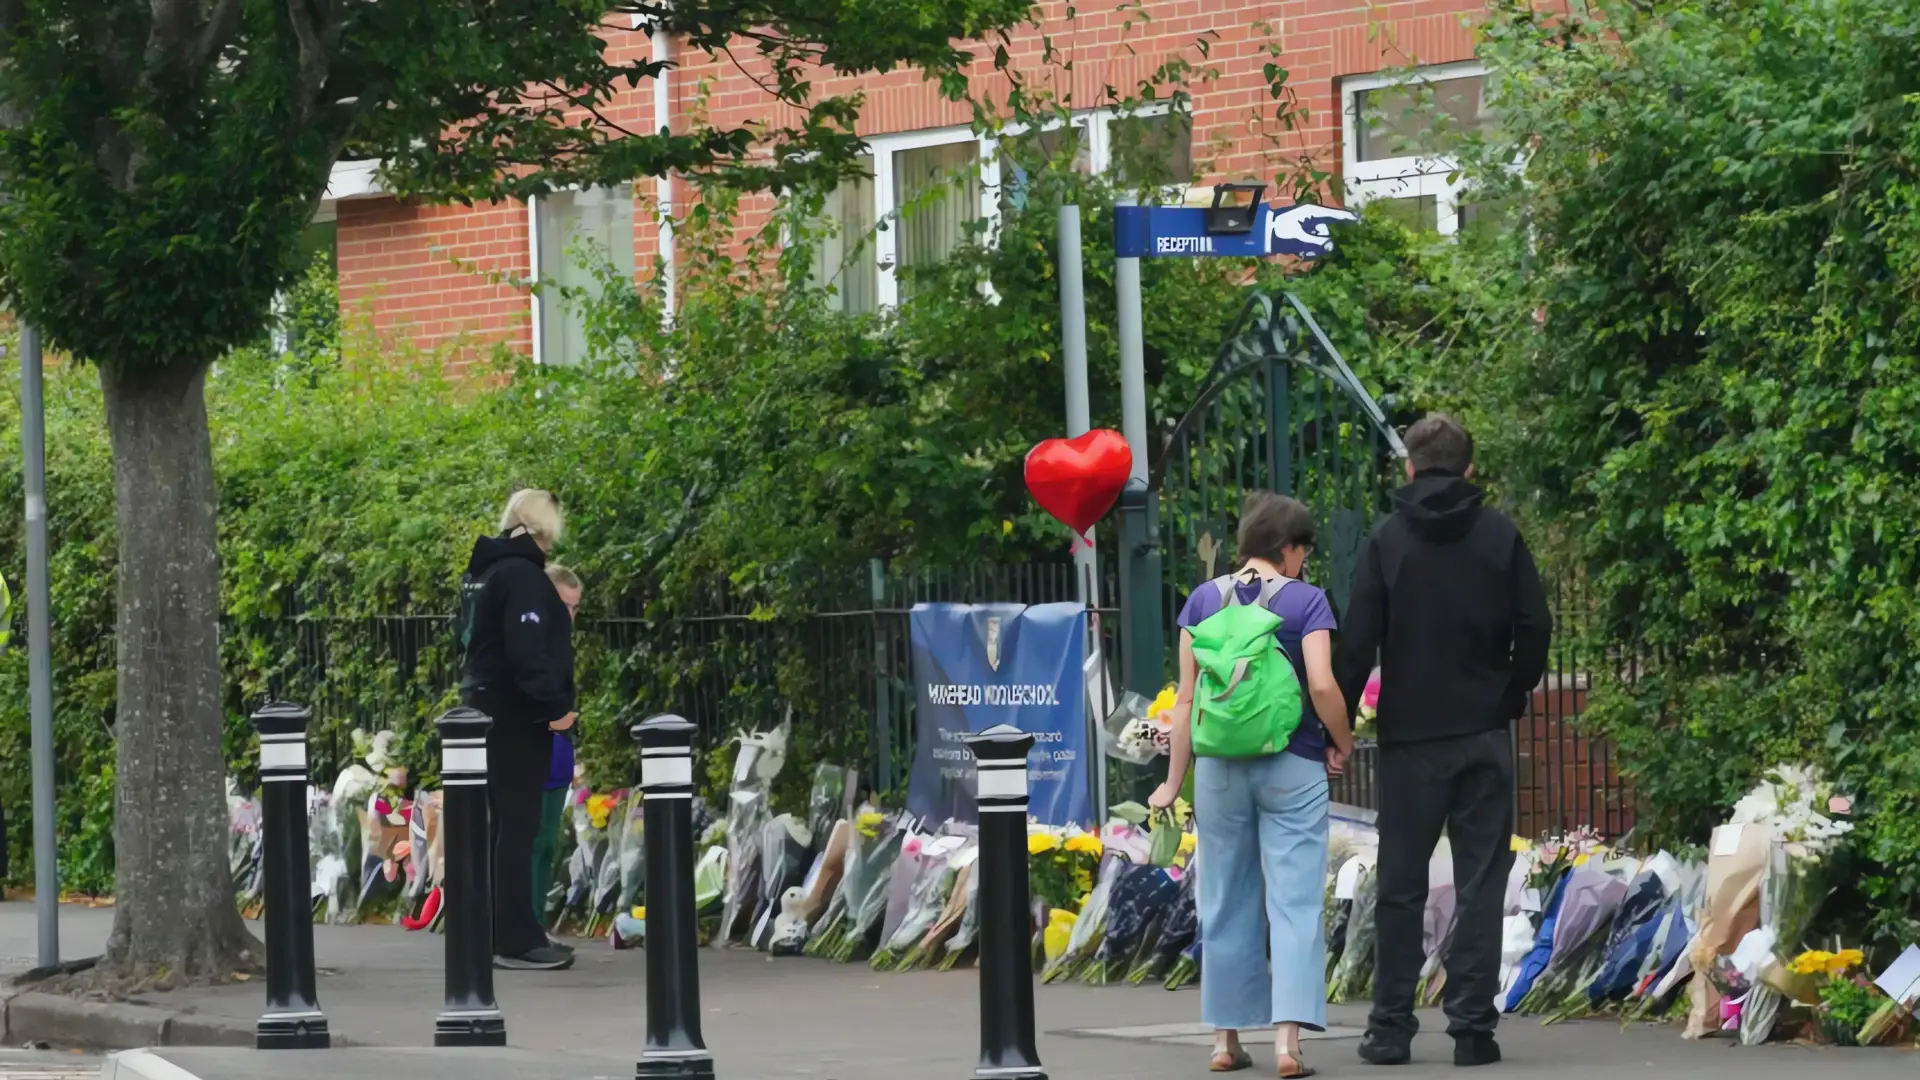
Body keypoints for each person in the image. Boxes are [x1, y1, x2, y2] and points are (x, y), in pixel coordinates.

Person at [1334, 414, 1552, 1067]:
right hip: (1483, 732)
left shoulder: (1388, 540)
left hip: (1410, 740)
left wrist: (1338, 727)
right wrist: (1511, 693)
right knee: (1482, 880)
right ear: (1470, 468)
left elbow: (1356, 643)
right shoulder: (1500, 535)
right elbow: (1534, 625)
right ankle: (1472, 1031)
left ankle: (1390, 1028)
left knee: (1401, 881)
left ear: (1408, 467)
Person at [1152, 492, 1356, 1079]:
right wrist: (1338, 741)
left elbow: (1186, 699)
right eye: (1303, 552)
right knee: (1292, 903)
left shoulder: (1201, 601)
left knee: (1224, 899)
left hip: (1217, 770)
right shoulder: (1305, 601)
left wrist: (1172, 782)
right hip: (1291, 764)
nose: (1303, 563)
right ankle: (1288, 1046)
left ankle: (1225, 1040)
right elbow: (1321, 685)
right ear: (1289, 550)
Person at [459, 489, 578, 971]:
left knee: (499, 825)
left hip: (483, 705)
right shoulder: (524, 577)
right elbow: (527, 650)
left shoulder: (483, 574)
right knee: (518, 825)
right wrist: (554, 706)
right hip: (515, 714)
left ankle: (495, 927)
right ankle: (517, 935)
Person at [530, 564, 582, 933]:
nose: (570, 615)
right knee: (531, 844)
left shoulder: (560, 645)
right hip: (531, 751)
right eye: (564, 605)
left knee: (547, 844)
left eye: (575, 607)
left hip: (558, 753)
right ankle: (525, 925)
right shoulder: (529, 642)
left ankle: (537, 924)